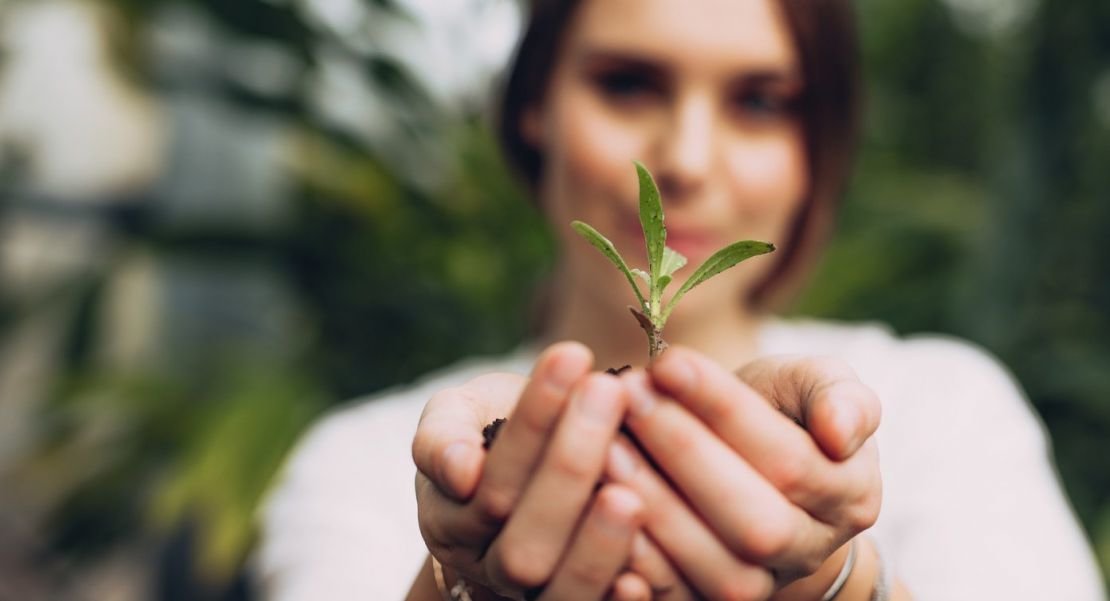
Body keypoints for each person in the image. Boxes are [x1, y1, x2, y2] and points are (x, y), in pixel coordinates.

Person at [256, 0, 1108, 600]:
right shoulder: (383, 461)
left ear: (818, 146)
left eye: (760, 102)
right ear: (533, 109)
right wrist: (458, 580)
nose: (688, 159)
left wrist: (838, 583)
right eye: (628, 83)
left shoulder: (940, 412)